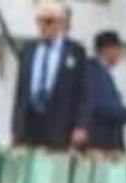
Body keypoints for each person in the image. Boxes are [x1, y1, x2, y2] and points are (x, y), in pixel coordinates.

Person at [13, 2, 90, 149]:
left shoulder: (75, 52)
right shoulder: (29, 50)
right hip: (30, 122)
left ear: (61, 23)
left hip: (60, 124)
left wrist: (81, 125)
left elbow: (83, 92)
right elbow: (20, 91)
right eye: (39, 21)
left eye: (49, 21)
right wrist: (15, 127)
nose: (43, 26)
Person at [81, 30, 126, 152]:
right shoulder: (92, 71)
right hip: (99, 141)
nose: (120, 53)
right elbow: (103, 107)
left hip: (110, 141)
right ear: (107, 50)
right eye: (118, 49)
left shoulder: (104, 72)